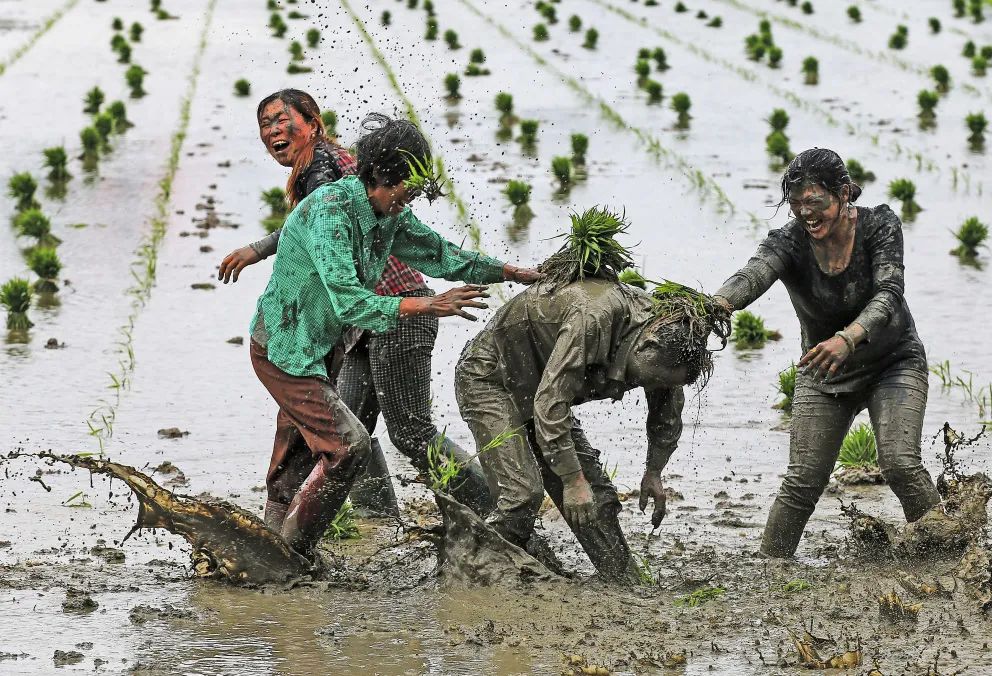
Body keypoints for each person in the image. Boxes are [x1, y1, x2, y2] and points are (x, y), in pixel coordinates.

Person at [247, 111, 539, 554]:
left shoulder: (389, 215)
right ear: (380, 176)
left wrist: (511, 271)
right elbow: (347, 298)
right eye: (406, 190)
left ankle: (270, 544)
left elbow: (440, 253)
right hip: (284, 346)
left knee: (303, 450)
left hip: (324, 346)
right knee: (348, 447)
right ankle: (290, 554)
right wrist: (428, 304)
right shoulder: (331, 213)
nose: (409, 201)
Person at [218, 90, 495, 519]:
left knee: (409, 432)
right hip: (363, 320)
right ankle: (380, 522)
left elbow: (321, 227)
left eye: (282, 120)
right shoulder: (336, 165)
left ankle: (492, 510)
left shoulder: (322, 168)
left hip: (390, 310)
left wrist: (257, 249)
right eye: (265, 124)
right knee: (349, 432)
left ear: (313, 124)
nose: (273, 130)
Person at [454, 221, 730, 582]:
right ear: (646, 347)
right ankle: (467, 576)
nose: (646, 386)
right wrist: (571, 480)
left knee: (596, 498)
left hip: (541, 387)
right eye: (649, 379)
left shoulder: (669, 341)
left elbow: (666, 410)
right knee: (523, 494)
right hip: (492, 377)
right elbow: (551, 402)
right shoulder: (594, 317)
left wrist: (654, 470)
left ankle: (623, 582)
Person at [714, 148, 941, 558]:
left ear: (843, 195)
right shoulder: (789, 242)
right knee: (802, 481)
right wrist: (714, 306)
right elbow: (754, 274)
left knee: (900, 465)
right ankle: (772, 568)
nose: (806, 213)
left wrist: (849, 337)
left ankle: (950, 553)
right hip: (824, 370)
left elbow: (889, 293)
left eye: (815, 202)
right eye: (796, 203)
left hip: (893, 362)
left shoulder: (879, 225)